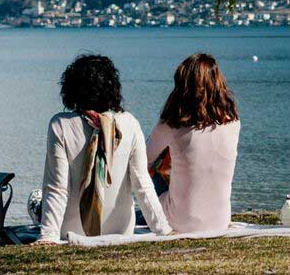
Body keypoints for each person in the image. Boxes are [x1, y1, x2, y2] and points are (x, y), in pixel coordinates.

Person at [35, 54, 172, 244]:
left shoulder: (60, 125)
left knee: (36, 202)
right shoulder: (130, 123)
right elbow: (142, 185)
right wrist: (163, 230)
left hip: (72, 232)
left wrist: (48, 236)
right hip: (121, 230)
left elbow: (57, 188)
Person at [146, 52, 241, 234]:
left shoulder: (172, 124)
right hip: (220, 221)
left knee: (157, 162)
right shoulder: (233, 121)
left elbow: (142, 163)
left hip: (181, 222)